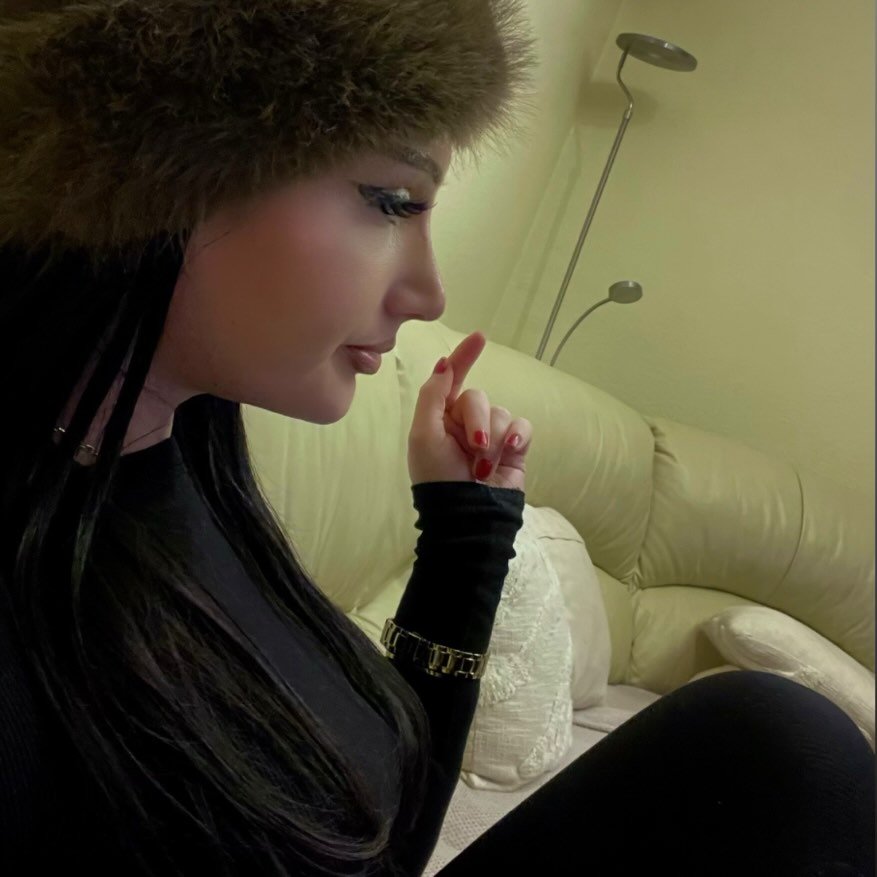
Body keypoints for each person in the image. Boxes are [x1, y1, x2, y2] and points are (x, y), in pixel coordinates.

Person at [0, 2, 872, 876]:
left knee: (772, 740)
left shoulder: (187, 459)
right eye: (390, 201)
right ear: (148, 164)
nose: (427, 292)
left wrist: (466, 531)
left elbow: (381, 834)